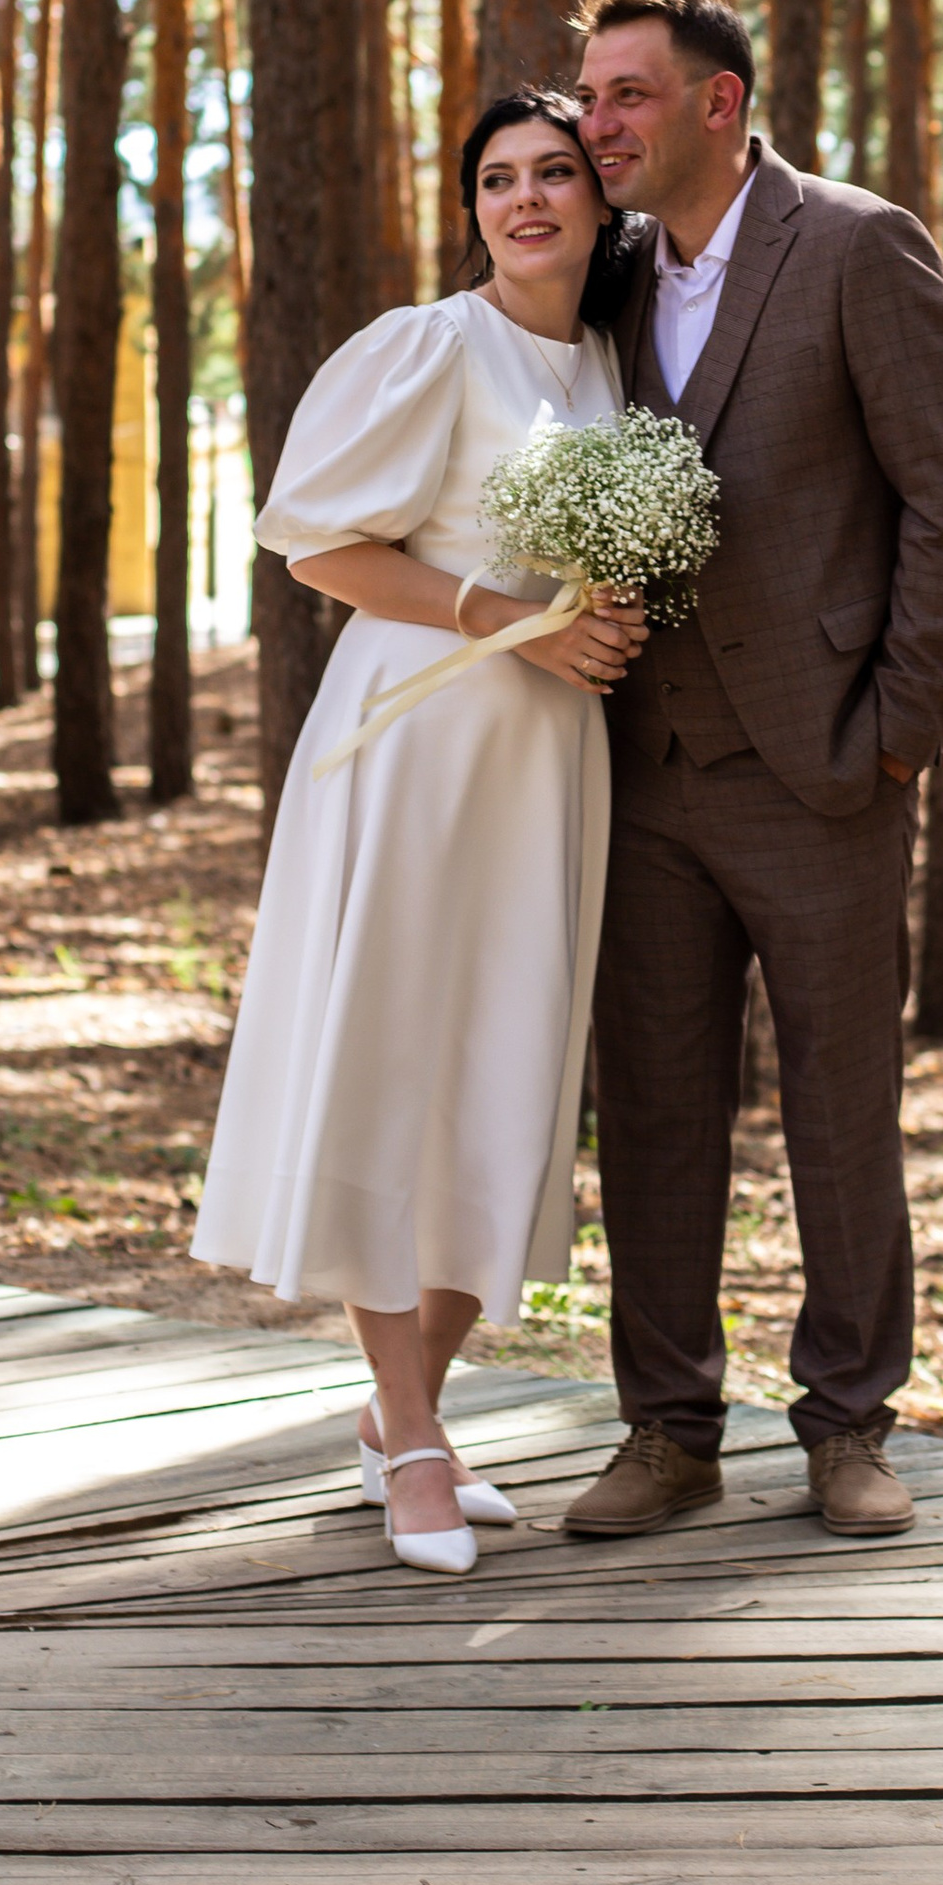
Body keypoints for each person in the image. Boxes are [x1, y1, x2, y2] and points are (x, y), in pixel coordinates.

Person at [193, 92, 651, 1576]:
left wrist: (599, 621)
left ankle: (413, 1412)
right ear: (473, 212)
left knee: (508, 1068)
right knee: (394, 1061)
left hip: (547, 756)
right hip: (418, 735)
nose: (527, 201)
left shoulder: (611, 364)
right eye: (499, 181)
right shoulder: (428, 346)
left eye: (555, 175)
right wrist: (508, 620)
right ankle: (413, 1435)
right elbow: (321, 540)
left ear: (599, 198)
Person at [568, 0, 943, 1541]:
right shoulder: (602, 276)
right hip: (640, 768)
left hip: (822, 768)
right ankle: (669, 1431)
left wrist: (894, 737)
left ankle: (848, 1424)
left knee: (840, 1104)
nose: (596, 123)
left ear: (717, 104)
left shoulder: (859, 248)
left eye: (625, 95)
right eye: (592, 93)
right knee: (659, 1106)